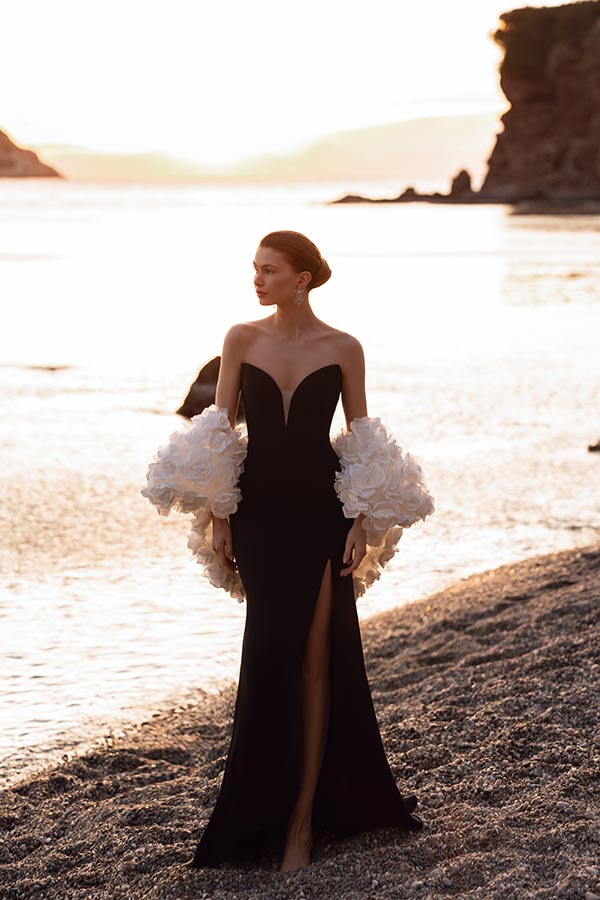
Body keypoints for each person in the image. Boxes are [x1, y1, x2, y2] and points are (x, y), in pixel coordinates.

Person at [141, 230, 434, 872]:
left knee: (316, 660)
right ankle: (260, 808)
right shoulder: (241, 338)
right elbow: (218, 429)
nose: (257, 280)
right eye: (255, 269)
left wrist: (360, 519)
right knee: (270, 653)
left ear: (301, 278)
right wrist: (220, 514)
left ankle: (303, 817)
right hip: (260, 514)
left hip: (322, 514)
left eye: (269, 270)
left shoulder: (345, 347)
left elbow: (361, 438)